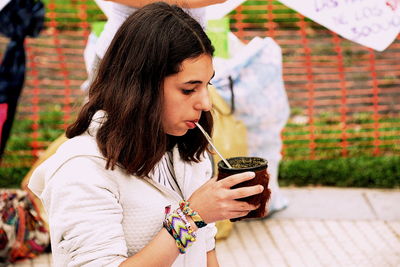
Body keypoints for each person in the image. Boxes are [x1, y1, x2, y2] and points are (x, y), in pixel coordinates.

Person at [28, 3, 264, 266]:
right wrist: (190, 218)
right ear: (141, 86)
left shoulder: (187, 151)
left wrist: (202, 215)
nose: (206, 103)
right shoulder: (82, 169)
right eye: (188, 89)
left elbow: (206, 251)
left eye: (206, 85)